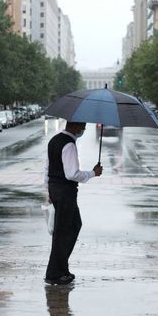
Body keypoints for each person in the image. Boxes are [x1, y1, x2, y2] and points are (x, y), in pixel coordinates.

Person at [44, 120, 102, 285]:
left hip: (56, 190)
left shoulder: (54, 140)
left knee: (73, 226)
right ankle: (54, 273)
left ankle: (61, 268)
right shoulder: (68, 145)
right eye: (82, 127)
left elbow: (47, 169)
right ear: (75, 126)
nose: (83, 130)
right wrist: (93, 173)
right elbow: (72, 174)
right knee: (64, 232)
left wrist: (48, 190)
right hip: (65, 192)